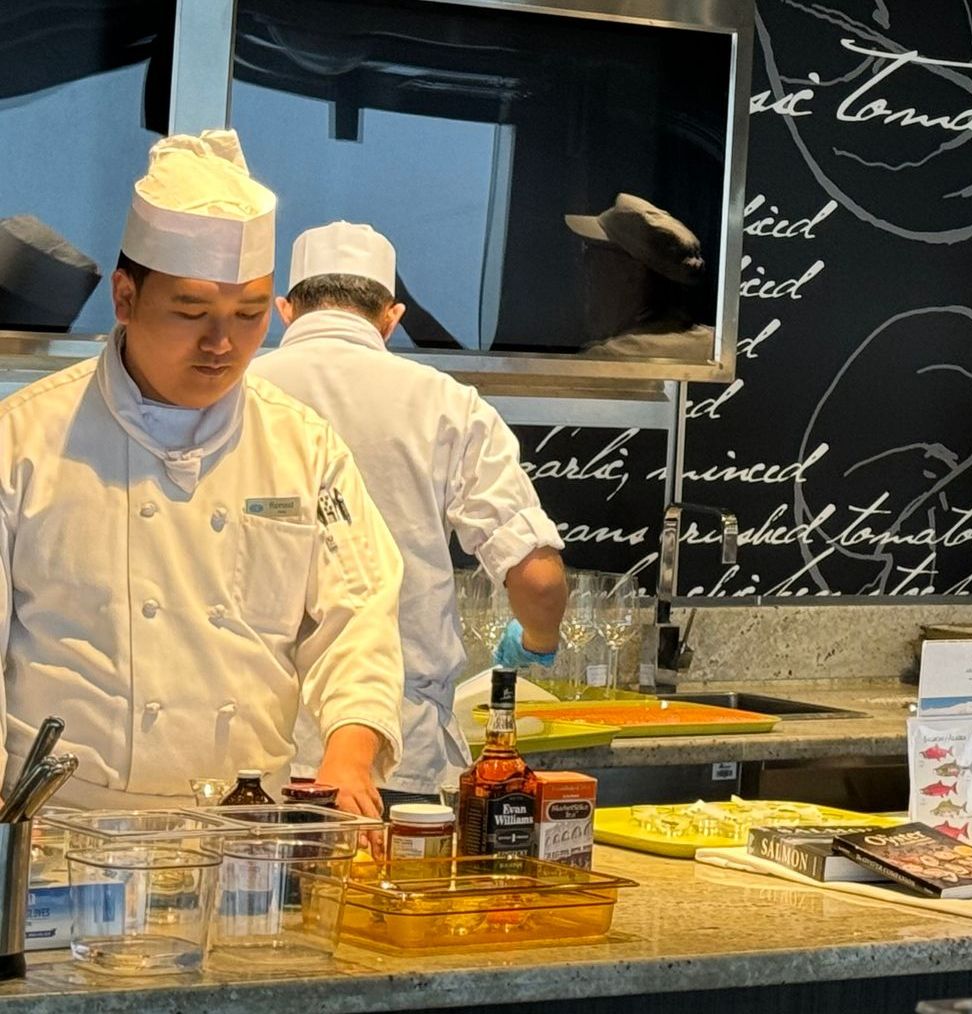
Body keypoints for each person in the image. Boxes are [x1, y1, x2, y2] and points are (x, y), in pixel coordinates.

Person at [0, 131, 405, 814]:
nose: (222, 344)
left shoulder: (302, 447)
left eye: (249, 316)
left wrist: (350, 749)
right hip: (62, 834)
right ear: (124, 299)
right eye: (191, 313)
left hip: (244, 834)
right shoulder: (24, 440)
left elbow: (359, 612)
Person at [250, 221, 567, 809]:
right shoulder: (447, 405)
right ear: (391, 318)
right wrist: (534, 642)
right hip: (397, 753)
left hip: (249, 757)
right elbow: (540, 579)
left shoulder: (234, 391)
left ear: (284, 311)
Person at [563, 193, 714, 361]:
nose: (584, 266)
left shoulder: (606, 359)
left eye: (593, 255)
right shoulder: (714, 346)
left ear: (634, 273)